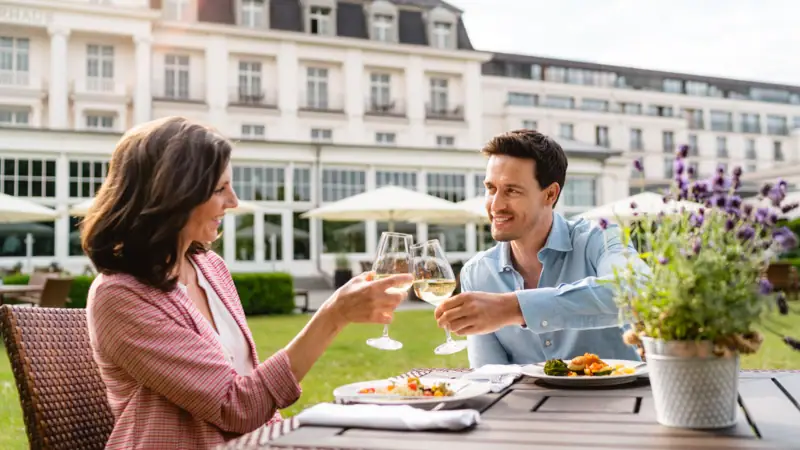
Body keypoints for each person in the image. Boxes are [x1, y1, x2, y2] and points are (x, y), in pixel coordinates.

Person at [83, 116, 412, 449]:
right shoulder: (121, 296)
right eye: (219, 189)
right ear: (173, 197)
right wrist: (333, 316)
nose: (234, 201)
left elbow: (250, 395)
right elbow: (235, 406)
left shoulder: (210, 268)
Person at [434, 129, 647, 368]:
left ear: (550, 194)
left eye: (512, 190)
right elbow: (489, 376)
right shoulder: (478, 273)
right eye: (491, 188)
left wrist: (512, 308)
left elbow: (638, 290)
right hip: (526, 405)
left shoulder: (601, 238)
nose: (496, 205)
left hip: (621, 402)